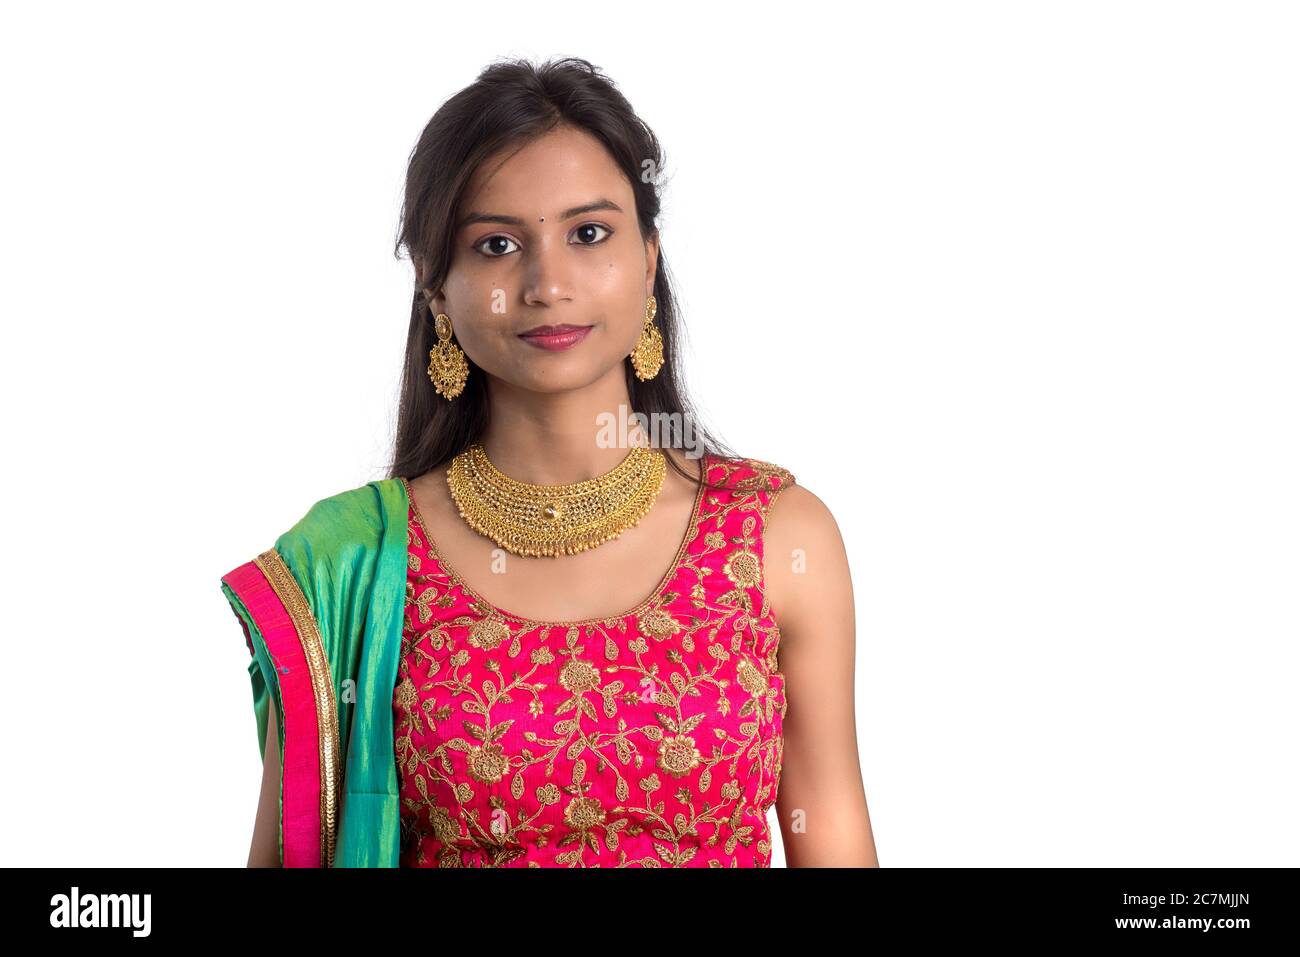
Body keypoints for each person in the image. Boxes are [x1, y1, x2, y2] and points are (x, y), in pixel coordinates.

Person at [221, 56, 877, 868]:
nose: (546, 282)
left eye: (589, 233)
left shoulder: (776, 538)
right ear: (438, 291)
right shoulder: (358, 563)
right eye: (496, 244)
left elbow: (834, 837)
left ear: (648, 260)